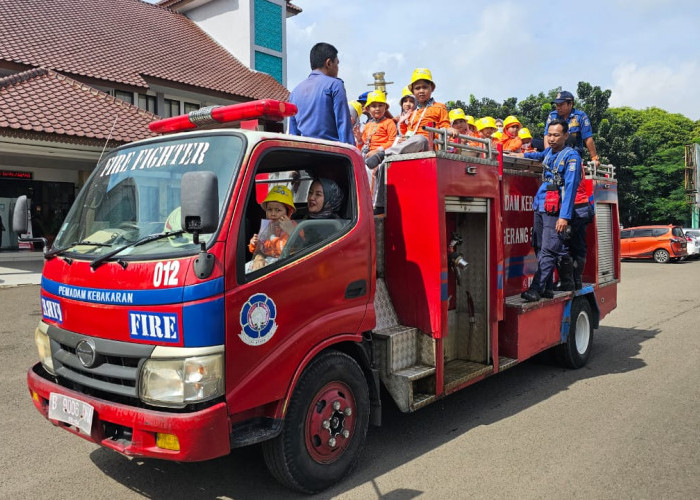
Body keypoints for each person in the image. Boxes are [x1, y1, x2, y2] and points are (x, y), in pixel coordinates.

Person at [520, 119, 583, 302]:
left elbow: (570, 188)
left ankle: (535, 289)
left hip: (556, 209)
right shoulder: (549, 152)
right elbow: (537, 156)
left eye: (556, 135)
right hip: (541, 205)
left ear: (566, 135)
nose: (552, 139)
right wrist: (520, 154)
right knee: (539, 247)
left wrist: (564, 217)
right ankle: (547, 288)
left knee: (549, 249)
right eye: (549, 135)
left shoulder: (571, 157)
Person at [288, 42, 354, 145]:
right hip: (331, 154)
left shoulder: (295, 92)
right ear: (328, 63)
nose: (337, 68)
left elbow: (293, 134)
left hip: (304, 155)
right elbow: (344, 127)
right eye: (337, 63)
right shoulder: (335, 85)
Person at [388, 68, 457, 155]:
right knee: (399, 141)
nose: (421, 91)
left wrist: (450, 129)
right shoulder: (413, 113)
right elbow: (409, 132)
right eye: (417, 88)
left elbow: (445, 125)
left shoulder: (439, 107)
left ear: (431, 88)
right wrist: (404, 138)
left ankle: (385, 154)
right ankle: (384, 159)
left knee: (421, 139)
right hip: (414, 148)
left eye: (425, 87)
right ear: (413, 91)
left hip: (430, 147)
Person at [246, 185, 298, 272]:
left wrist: (292, 232)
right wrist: (254, 244)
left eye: (278, 210)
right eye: (269, 209)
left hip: (287, 264)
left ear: (288, 212)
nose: (273, 213)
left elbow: (302, 247)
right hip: (268, 261)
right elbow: (261, 249)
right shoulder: (266, 227)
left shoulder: (294, 226)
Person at [545, 90, 599, 166]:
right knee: (535, 142)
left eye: (561, 105)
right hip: (555, 148)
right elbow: (547, 135)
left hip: (573, 150)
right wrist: (548, 155)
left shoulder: (580, 116)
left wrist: (594, 158)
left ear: (570, 104)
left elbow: (588, 138)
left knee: (569, 138)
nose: (558, 108)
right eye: (557, 105)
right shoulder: (552, 115)